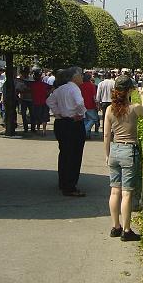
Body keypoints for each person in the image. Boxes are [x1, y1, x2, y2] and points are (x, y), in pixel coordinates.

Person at [104, 75, 143, 241]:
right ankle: (127, 230)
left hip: (115, 149)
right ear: (130, 89)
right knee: (127, 193)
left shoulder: (109, 109)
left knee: (114, 191)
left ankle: (115, 226)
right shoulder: (134, 108)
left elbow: (107, 134)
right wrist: (142, 95)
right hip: (129, 150)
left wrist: (107, 154)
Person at [46, 67, 87, 197]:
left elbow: (49, 101)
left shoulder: (61, 89)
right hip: (73, 124)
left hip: (61, 122)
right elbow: (80, 103)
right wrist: (80, 114)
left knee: (64, 153)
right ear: (74, 77)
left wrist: (58, 113)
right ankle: (70, 186)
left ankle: (63, 181)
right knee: (74, 155)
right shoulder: (74, 88)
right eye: (80, 75)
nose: (82, 77)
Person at [30, 70, 51, 134]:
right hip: (44, 102)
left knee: (37, 117)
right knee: (44, 117)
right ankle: (44, 130)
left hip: (35, 103)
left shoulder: (32, 85)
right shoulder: (45, 85)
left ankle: (38, 129)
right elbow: (51, 89)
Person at [80, 72, 98, 139]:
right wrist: (96, 104)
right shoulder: (92, 85)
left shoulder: (80, 85)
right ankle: (85, 131)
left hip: (82, 105)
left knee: (86, 120)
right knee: (94, 119)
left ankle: (87, 135)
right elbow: (94, 96)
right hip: (90, 105)